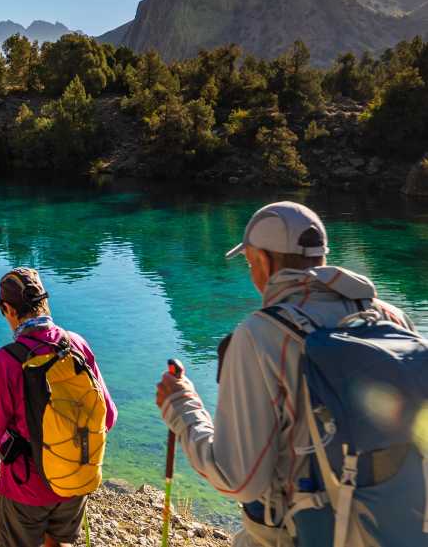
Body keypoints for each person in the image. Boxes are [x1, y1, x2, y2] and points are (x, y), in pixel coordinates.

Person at [155, 201, 419, 546]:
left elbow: (237, 479)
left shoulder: (260, 335)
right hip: (394, 526)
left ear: (264, 261)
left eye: (250, 263)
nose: (251, 275)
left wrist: (182, 409)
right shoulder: (391, 318)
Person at [0, 267, 117, 547]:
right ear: (44, 302)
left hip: (26, 488)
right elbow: (108, 416)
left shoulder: (7, 361)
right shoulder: (76, 344)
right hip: (75, 478)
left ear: (7, 309)